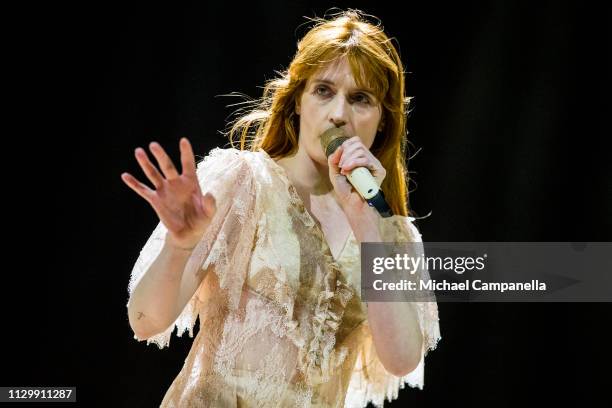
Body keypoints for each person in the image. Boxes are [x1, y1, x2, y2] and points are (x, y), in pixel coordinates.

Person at [121, 9, 441, 408]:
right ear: (297, 103)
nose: (339, 114)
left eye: (360, 99)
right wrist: (180, 245)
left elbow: (401, 359)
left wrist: (369, 225)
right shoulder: (244, 181)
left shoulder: (392, 233)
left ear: (382, 121)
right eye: (324, 91)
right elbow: (145, 321)